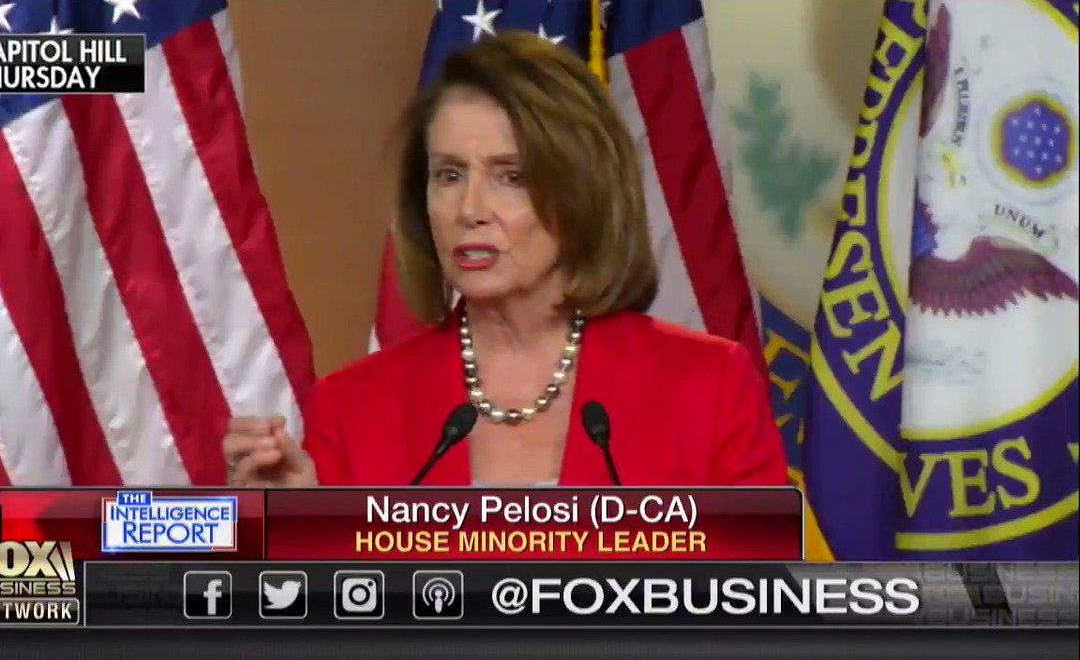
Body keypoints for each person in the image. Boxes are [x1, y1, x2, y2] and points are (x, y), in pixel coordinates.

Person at [223, 31, 788, 488]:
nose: (470, 209)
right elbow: (313, 593)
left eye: (510, 176)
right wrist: (286, 529)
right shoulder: (352, 408)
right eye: (449, 175)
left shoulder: (709, 387)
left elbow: (759, 590)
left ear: (581, 193)